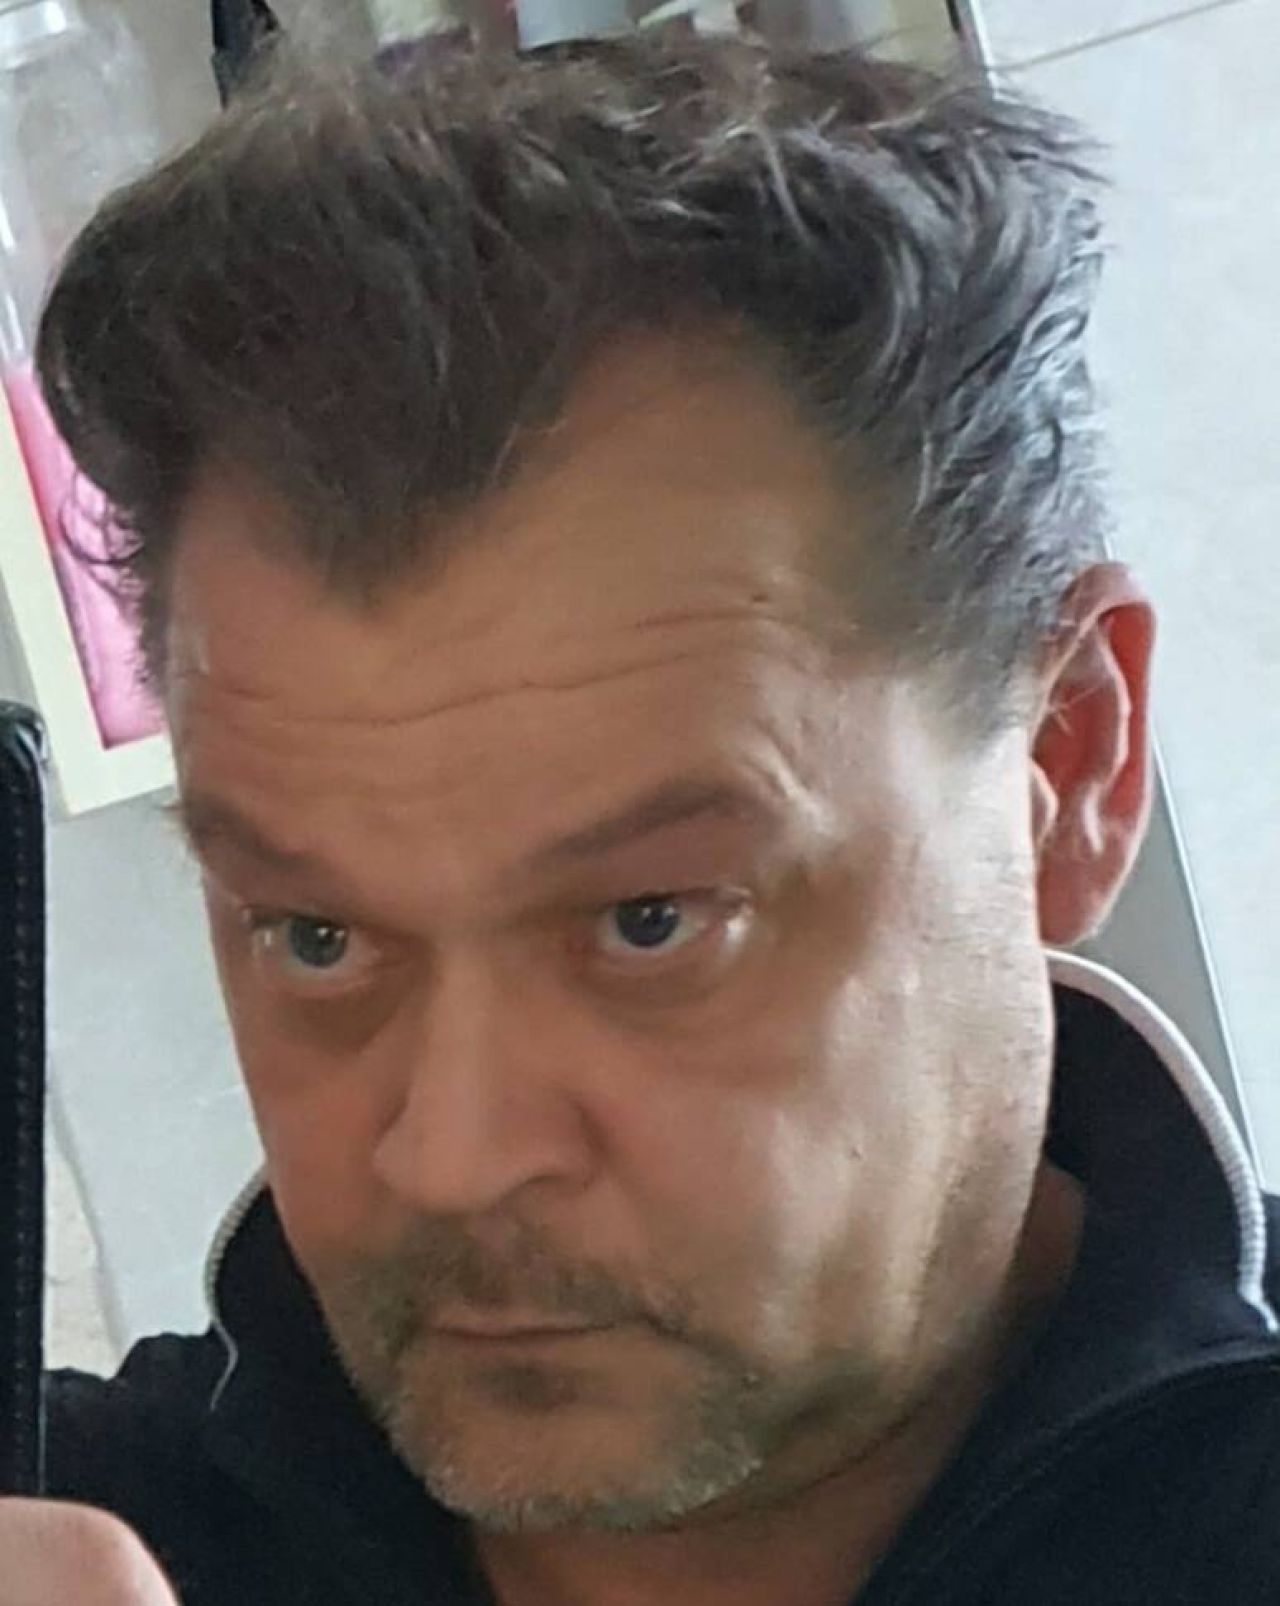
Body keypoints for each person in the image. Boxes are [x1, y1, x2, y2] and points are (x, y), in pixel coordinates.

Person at [6, 31, 1280, 1606]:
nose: (455, 1155)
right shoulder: (69, 1529)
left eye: (650, 921)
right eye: (316, 937)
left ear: (1069, 766)